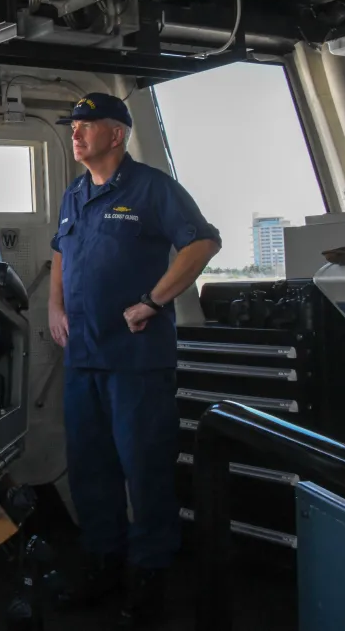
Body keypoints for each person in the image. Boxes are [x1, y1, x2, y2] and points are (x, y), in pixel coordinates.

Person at [46, 92, 220, 627]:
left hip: (137, 363)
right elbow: (60, 251)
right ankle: (103, 566)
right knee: (91, 473)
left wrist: (152, 301)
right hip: (84, 361)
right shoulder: (75, 193)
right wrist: (54, 305)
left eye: (86, 124)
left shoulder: (151, 187)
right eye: (72, 125)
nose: (75, 133)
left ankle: (150, 578)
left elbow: (203, 243)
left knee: (145, 473)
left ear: (117, 133)